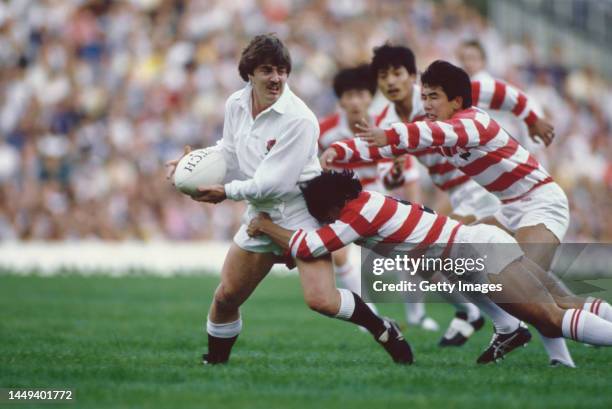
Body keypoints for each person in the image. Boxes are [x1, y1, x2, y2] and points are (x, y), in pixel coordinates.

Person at [322, 60, 612, 363]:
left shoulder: (471, 122)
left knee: (527, 296)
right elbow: (385, 147)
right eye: (424, 96)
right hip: (508, 208)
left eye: (432, 96)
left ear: (456, 99)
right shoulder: (423, 123)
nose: (425, 103)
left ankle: (555, 356)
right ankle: (538, 344)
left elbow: (432, 133)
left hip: (540, 202)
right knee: (468, 265)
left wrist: (531, 117)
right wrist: (340, 152)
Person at [165, 34, 412, 365]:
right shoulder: (236, 104)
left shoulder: (300, 118)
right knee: (226, 296)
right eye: (267, 70)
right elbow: (228, 151)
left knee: (321, 300)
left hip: (301, 213)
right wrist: (193, 163)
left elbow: (275, 184)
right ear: (248, 73)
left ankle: (382, 327)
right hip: (260, 213)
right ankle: (215, 363)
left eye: (282, 70)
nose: (276, 78)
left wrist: (225, 191)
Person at [247, 170, 612, 360]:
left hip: (481, 251)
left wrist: (265, 225)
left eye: (322, 214)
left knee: (549, 316)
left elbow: (311, 245)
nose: (323, 221)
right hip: (471, 256)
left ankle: (535, 342)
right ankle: (518, 336)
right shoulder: (365, 206)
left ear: (333, 204)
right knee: (559, 304)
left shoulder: (358, 212)